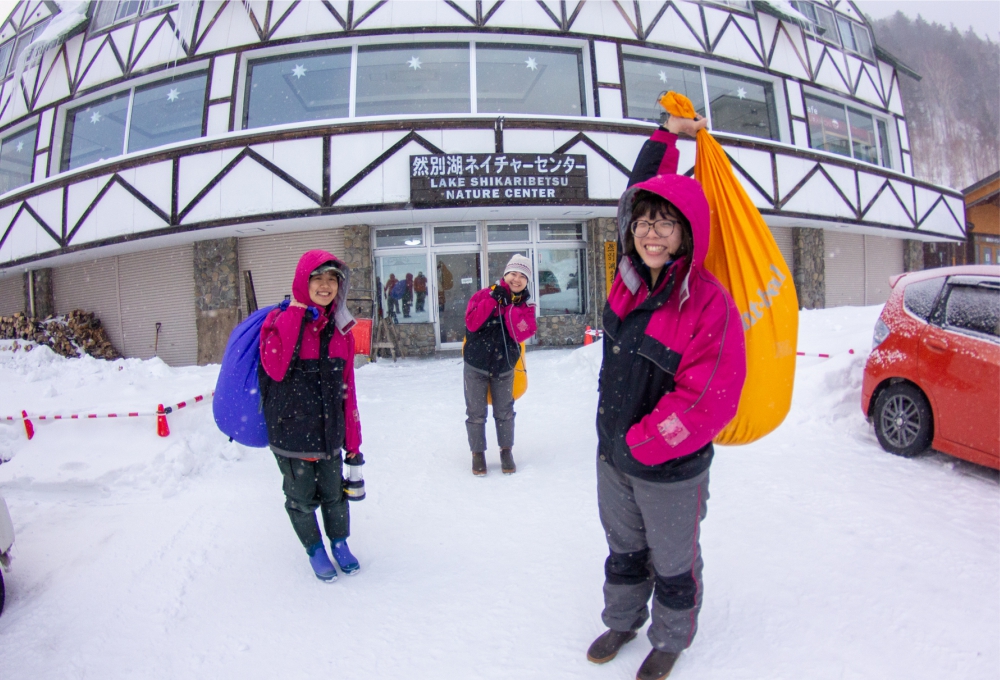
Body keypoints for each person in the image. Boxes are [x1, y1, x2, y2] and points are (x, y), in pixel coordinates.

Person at [586, 115, 747, 679]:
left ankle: (671, 638)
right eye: (644, 225)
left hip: (668, 468)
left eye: (666, 226)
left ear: (686, 234)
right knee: (624, 549)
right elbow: (640, 189)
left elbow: (709, 400)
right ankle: (623, 620)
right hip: (614, 458)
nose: (651, 234)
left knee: (675, 561)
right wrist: (665, 135)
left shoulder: (707, 303)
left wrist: (643, 443)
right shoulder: (627, 281)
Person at [259, 250, 364, 583]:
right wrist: (297, 312)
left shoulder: (340, 331)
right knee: (301, 498)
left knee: (335, 494)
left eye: (332, 279)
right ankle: (315, 549)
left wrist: (353, 437)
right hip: (290, 434)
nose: (325, 285)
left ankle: (339, 542)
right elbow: (275, 369)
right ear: (303, 283)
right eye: (317, 278)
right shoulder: (278, 321)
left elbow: (347, 387)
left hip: (329, 433)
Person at [463, 254, 537, 476]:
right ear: (506, 274)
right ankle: (478, 453)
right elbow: (472, 323)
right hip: (475, 364)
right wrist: (493, 300)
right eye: (514, 273)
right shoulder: (483, 295)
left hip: (504, 366)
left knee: (505, 412)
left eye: (523, 276)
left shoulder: (526, 304)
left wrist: (511, 307)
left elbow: (524, 331)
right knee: (476, 413)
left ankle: (506, 451)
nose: (517, 279)